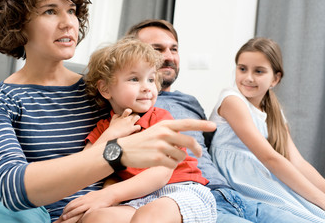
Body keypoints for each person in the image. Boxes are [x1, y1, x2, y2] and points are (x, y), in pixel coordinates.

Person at [0, 0, 216, 222]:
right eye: (50, 11)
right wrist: (114, 153)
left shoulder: (104, 89)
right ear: (17, 21)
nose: (68, 23)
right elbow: (11, 187)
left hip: (134, 207)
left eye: (72, 11)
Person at [124, 19, 315, 223]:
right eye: (157, 49)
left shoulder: (190, 102)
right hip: (186, 198)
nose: (169, 56)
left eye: (174, 49)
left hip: (229, 194)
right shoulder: (127, 103)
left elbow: (210, 148)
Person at [58, 37, 217, 223]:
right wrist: (110, 135)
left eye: (151, 79)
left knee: (150, 216)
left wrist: (108, 195)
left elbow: (161, 174)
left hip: (181, 190)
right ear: (105, 89)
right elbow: (83, 166)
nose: (147, 88)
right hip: (137, 200)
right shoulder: (104, 127)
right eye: (134, 79)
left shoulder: (160, 118)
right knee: (96, 218)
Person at [209, 37, 325, 222]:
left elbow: (297, 162)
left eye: (259, 71)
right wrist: (320, 198)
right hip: (242, 180)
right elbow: (270, 158)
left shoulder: (273, 110)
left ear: (275, 78)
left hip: (263, 177)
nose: (248, 77)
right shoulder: (232, 100)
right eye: (242, 69)